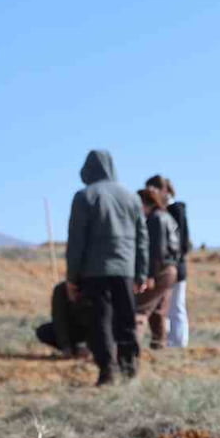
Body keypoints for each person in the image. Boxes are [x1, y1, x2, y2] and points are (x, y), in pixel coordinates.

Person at [66, 150, 148, 386]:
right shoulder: (131, 197)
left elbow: (76, 240)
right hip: (125, 269)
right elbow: (142, 238)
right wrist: (141, 272)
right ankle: (130, 369)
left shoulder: (84, 197)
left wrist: (72, 277)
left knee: (100, 320)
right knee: (126, 320)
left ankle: (107, 372)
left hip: (95, 271)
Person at [146, 175, 191, 348]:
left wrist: (174, 261)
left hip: (174, 266)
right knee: (167, 305)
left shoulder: (175, 210)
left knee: (176, 305)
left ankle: (179, 342)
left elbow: (182, 242)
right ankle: (170, 339)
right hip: (166, 266)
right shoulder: (163, 211)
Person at [134, 187, 179, 349]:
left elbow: (156, 250)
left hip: (160, 270)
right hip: (169, 269)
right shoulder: (165, 217)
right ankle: (159, 344)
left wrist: (150, 275)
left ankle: (130, 349)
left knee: (140, 310)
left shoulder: (156, 219)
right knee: (158, 310)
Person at [35, 280, 93, 356]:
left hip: (94, 329)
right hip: (74, 328)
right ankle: (76, 350)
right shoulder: (61, 289)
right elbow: (59, 320)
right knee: (44, 331)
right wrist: (66, 346)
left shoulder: (96, 289)